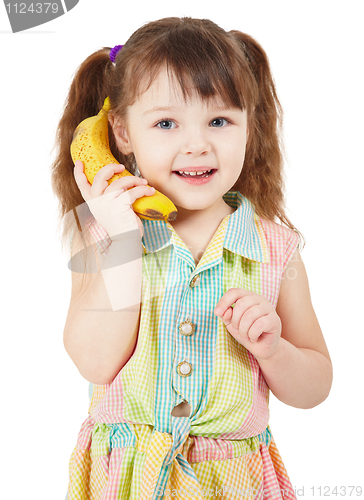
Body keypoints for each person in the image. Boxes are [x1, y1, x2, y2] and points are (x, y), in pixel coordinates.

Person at [51, 16, 333, 500]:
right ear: (121, 132)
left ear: (250, 127)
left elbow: (315, 387)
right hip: (128, 482)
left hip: (234, 480)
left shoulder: (274, 248)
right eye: (165, 123)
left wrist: (273, 350)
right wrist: (123, 240)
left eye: (219, 120)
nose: (198, 143)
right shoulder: (102, 234)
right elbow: (95, 362)